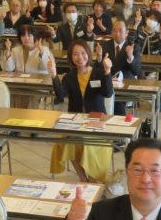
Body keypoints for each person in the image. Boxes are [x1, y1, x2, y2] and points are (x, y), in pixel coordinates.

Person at [49, 41, 114, 183]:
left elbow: (108, 93)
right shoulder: (70, 76)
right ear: (71, 57)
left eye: (83, 53)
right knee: (67, 142)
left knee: (88, 143)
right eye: (75, 54)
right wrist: (54, 75)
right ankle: (83, 179)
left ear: (89, 54)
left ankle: (92, 180)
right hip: (76, 119)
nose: (80, 57)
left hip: (97, 118)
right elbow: (61, 94)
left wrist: (108, 71)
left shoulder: (98, 73)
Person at [100, 19, 141, 115]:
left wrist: (130, 57)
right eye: (114, 30)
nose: (117, 34)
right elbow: (99, 68)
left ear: (126, 33)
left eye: (120, 31)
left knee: (116, 102)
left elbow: (136, 71)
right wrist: (99, 58)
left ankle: (116, 122)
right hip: (108, 83)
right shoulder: (105, 45)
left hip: (125, 86)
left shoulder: (134, 47)